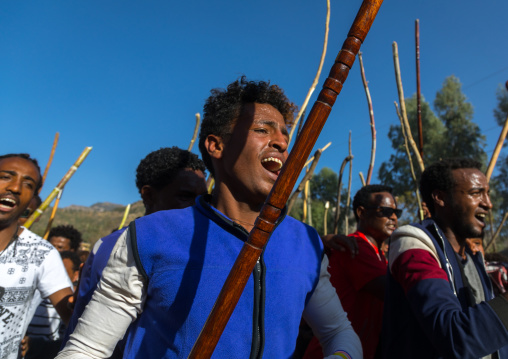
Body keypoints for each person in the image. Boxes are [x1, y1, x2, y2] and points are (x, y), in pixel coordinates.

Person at [57, 77, 361, 359]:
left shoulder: (305, 243)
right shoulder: (150, 236)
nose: (281, 143)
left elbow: (340, 334)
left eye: (284, 134)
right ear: (216, 146)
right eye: (263, 130)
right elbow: (87, 348)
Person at [61, 147, 207, 354]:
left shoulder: (194, 249)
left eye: (203, 199)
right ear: (148, 195)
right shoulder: (118, 247)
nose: (196, 207)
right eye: (185, 196)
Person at [382, 158, 508, 358]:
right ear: (440, 198)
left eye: (487, 194)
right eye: (476, 193)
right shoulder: (412, 243)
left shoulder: (474, 260)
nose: (488, 204)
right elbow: (453, 336)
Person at [304, 184, 400, 359]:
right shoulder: (356, 248)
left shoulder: (379, 255)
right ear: (361, 213)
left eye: (396, 213)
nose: (393, 217)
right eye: (385, 211)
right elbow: (394, 293)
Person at [0, 153, 73, 359]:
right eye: (6, 176)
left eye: (28, 184)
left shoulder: (42, 253)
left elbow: (73, 315)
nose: (15, 188)